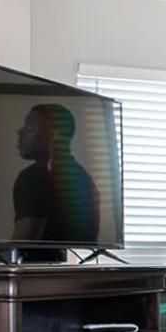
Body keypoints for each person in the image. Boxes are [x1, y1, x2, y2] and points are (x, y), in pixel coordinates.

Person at [12, 103, 100, 243]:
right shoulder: (85, 179)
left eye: (30, 128)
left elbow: (24, 245)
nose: (19, 132)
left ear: (54, 135)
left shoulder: (33, 178)